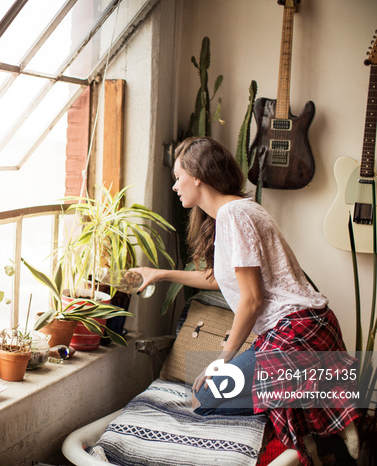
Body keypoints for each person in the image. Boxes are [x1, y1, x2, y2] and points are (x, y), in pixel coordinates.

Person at [130, 137, 359, 465]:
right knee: (203, 389)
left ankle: (318, 415)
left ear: (197, 175)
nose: (175, 187)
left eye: (178, 177)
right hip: (304, 329)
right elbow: (218, 279)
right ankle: (321, 411)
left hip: (296, 333)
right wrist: (161, 274)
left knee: (207, 395)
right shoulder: (236, 211)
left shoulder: (232, 214)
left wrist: (221, 360)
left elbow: (251, 300)